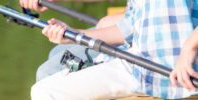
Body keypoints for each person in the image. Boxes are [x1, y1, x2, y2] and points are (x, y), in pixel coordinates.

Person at [31, 0, 198, 99]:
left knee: (46, 91)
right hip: (139, 63)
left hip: (173, 72)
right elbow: (129, 27)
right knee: (45, 87)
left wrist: (189, 47)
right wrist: (76, 34)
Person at [20, 0, 128, 81]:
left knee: (48, 72)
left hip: (134, 37)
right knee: (56, 53)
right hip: (127, 24)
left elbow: (132, 28)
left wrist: (77, 33)